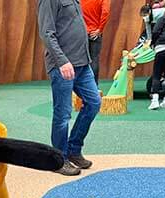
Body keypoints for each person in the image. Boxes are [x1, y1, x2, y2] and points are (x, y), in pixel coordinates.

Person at [37, 0, 101, 176]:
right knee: (63, 114)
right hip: (63, 65)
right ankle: (58, 159)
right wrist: (62, 61)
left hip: (82, 63)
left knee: (94, 103)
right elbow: (47, 33)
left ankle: (73, 149)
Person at [82, 0, 111, 85]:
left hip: (82, 32)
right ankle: (93, 86)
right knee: (94, 60)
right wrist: (100, 29)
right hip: (95, 33)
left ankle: (81, 87)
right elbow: (105, 12)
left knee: (81, 60)